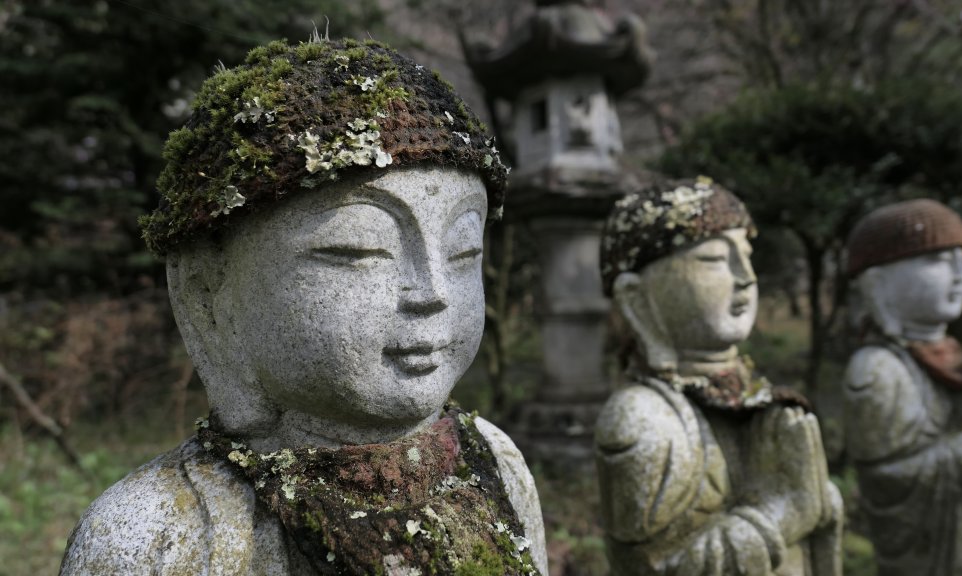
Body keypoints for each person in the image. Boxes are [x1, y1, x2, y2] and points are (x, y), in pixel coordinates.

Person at [60, 38, 547, 575]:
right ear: (208, 297)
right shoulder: (157, 535)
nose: (434, 293)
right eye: (359, 249)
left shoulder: (497, 464)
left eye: (463, 252)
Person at [595, 178, 842, 576]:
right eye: (713, 259)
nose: (745, 276)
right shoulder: (642, 419)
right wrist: (788, 509)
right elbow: (656, 567)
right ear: (637, 298)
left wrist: (819, 496)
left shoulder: (753, 394)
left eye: (746, 255)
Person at [843, 199, 962, 576]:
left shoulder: (954, 354)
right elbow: (887, 480)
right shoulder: (877, 370)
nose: (961, 274)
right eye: (938, 261)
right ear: (878, 280)